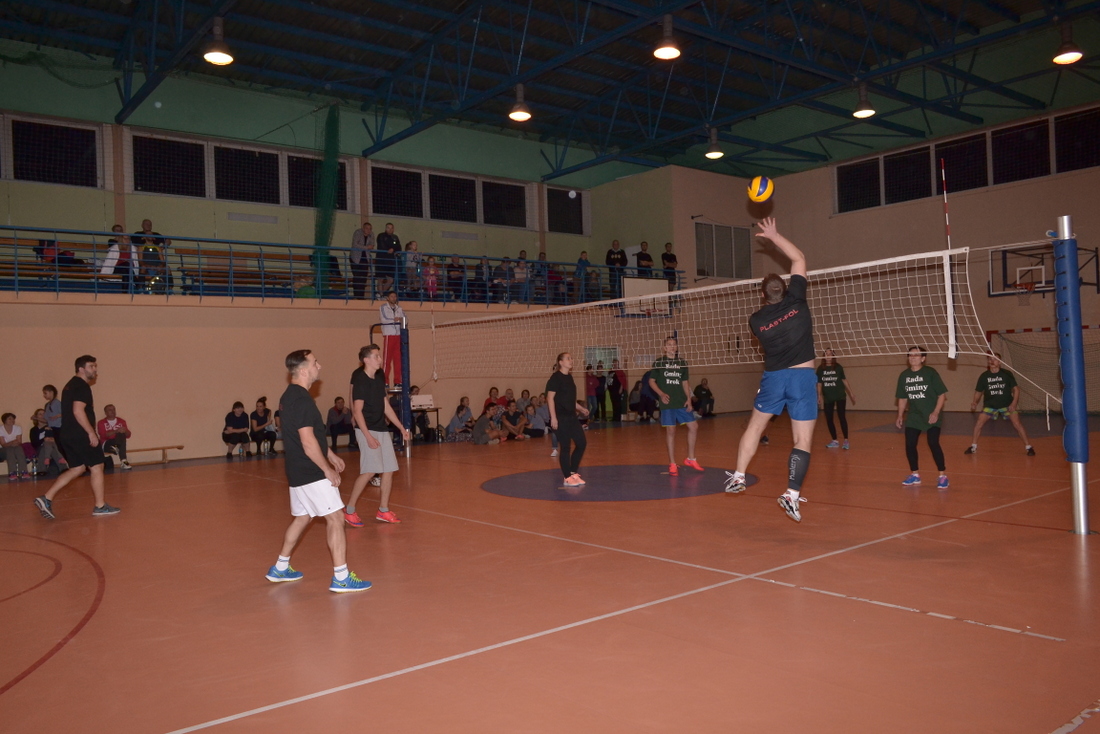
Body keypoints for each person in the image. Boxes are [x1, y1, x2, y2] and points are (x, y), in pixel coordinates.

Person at [722, 218, 816, 523]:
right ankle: (791, 494)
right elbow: (799, 258)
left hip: (774, 378)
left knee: (755, 427)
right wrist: (774, 236)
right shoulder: (798, 302)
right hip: (801, 377)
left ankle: (739, 475)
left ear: (763, 296)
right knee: (802, 440)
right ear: (787, 289)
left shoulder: (757, 321)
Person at [265, 349, 370, 592]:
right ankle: (341, 577)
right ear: (303, 370)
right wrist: (326, 469)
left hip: (297, 471)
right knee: (336, 518)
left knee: (303, 517)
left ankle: (280, 567)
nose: (319, 366)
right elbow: (307, 441)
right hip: (311, 471)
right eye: (315, 363)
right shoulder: (302, 400)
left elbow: (308, 435)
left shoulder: (289, 396)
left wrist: (330, 454)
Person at [33, 355, 120, 519]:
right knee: (97, 465)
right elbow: (78, 411)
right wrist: (91, 432)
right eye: (91, 366)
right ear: (81, 369)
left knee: (78, 468)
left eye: (95, 366)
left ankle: (46, 498)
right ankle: (100, 506)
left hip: (67, 434)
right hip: (80, 434)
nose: (95, 369)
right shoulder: (81, 386)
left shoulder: (69, 385)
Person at [343, 344, 411, 527]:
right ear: (366, 360)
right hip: (366, 429)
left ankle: (383, 510)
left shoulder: (379, 377)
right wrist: (367, 436)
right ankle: (349, 510)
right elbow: (357, 411)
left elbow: (385, 405)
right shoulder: (360, 380)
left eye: (379, 356)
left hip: (381, 428)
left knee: (389, 469)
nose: (380, 359)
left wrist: (401, 427)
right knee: (369, 471)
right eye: (376, 356)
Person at [896, 346, 949, 489]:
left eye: (916, 355)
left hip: (931, 414)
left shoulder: (930, 373)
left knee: (933, 443)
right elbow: (902, 398)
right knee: (910, 444)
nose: (912, 357)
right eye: (910, 355)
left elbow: (942, 395)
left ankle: (942, 476)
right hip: (914, 415)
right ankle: (915, 474)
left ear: (923, 358)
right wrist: (900, 415)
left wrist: (936, 412)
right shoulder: (904, 376)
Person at [649, 337, 703, 476]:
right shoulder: (659, 362)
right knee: (671, 430)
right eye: (669, 345)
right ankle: (672, 463)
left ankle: (691, 458)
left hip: (681, 401)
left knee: (694, 426)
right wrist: (661, 394)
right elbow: (651, 381)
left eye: (674, 344)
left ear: (677, 347)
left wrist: (689, 399)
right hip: (667, 402)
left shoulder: (682, 363)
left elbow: (685, 383)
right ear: (664, 348)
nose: (672, 347)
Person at [966, 352, 1034, 456]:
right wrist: (974, 402)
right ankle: (973, 447)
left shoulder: (1007, 374)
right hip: (990, 405)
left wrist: (1014, 403)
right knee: (979, 423)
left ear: (1000, 362)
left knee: (1017, 424)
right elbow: (978, 391)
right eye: (990, 359)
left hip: (1007, 405)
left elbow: (1016, 389)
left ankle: (1028, 447)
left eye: (995, 359)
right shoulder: (984, 376)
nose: (992, 361)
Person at [547, 352, 589, 486]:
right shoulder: (555, 378)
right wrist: (553, 418)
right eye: (568, 358)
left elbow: (570, 400)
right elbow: (550, 398)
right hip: (561, 417)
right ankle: (567, 477)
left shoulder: (570, 377)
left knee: (581, 443)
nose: (571, 360)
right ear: (561, 362)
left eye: (571, 358)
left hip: (571, 417)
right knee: (565, 447)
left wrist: (581, 409)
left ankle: (572, 473)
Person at [817, 349, 856, 448]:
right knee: (829, 419)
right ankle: (834, 440)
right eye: (826, 354)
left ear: (833, 356)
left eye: (830, 354)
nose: (828, 356)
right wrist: (819, 395)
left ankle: (846, 440)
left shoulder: (838, 367)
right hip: (828, 397)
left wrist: (851, 393)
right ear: (824, 356)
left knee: (841, 417)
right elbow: (819, 384)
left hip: (840, 396)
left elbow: (844, 380)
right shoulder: (820, 369)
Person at [133, 219, 172, 293]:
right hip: (147, 267)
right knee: (143, 267)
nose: (150, 236)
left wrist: (160, 266)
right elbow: (140, 261)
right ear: (144, 237)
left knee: (167, 268)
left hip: (157, 267)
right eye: (148, 235)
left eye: (151, 235)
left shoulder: (158, 248)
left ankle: (170, 289)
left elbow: (163, 260)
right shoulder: (141, 248)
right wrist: (149, 266)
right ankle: (140, 288)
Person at [31, 408, 67, 475]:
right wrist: (43, 440)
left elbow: (59, 439)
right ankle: (63, 467)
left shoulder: (52, 427)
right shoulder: (34, 430)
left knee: (51, 447)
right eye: (40, 414)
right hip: (40, 448)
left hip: (53, 447)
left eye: (44, 414)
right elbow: (34, 444)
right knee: (45, 447)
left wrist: (54, 439)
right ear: (37, 416)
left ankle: (42, 470)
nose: (42, 415)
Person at [96, 404, 132, 470]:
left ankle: (123, 460)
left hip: (118, 442)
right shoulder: (101, 422)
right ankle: (121, 456)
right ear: (105, 413)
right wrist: (116, 431)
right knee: (120, 441)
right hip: (107, 444)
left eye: (113, 409)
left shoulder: (121, 421)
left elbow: (128, 435)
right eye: (110, 410)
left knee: (122, 435)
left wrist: (125, 431)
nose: (112, 411)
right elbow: (103, 435)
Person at [380, 290, 405, 386]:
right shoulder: (383, 307)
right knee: (387, 359)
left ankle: (397, 381)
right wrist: (395, 320)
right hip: (389, 335)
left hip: (398, 335)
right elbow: (384, 319)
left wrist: (400, 319)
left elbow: (405, 320)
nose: (393, 298)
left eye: (395, 296)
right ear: (388, 298)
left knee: (398, 360)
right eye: (391, 296)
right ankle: (385, 381)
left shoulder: (399, 308)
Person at [1, 413, 31, 480]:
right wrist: (12, 443)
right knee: (9, 449)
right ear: (4, 420)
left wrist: (13, 443)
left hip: (15, 448)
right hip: (3, 450)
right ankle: (12, 472)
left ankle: (24, 471)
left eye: (13, 419)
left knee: (19, 448)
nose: (12, 420)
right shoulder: (0, 429)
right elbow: (3, 444)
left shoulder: (18, 428)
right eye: (9, 419)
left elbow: (19, 441)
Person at [350, 222, 373, 299]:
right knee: (357, 277)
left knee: (363, 278)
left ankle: (361, 297)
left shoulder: (371, 235)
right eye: (367, 228)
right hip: (355, 258)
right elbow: (355, 244)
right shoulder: (358, 233)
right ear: (363, 228)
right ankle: (356, 296)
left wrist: (365, 247)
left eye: (370, 229)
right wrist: (366, 247)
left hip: (365, 258)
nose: (368, 230)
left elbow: (372, 245)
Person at [375, 222, 401, 293]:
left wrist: (393, 249)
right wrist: (391, 248)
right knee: (380, 279)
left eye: (391, 228)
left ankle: (381, 293)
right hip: (381, 260)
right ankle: (380, 295)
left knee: (390, 280)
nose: (390, 229)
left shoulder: (395, 237)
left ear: (393, 229)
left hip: (390, 262)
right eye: (388, 228)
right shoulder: (381, 236)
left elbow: (399, 247)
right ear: (385, 228)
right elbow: (382, 246)